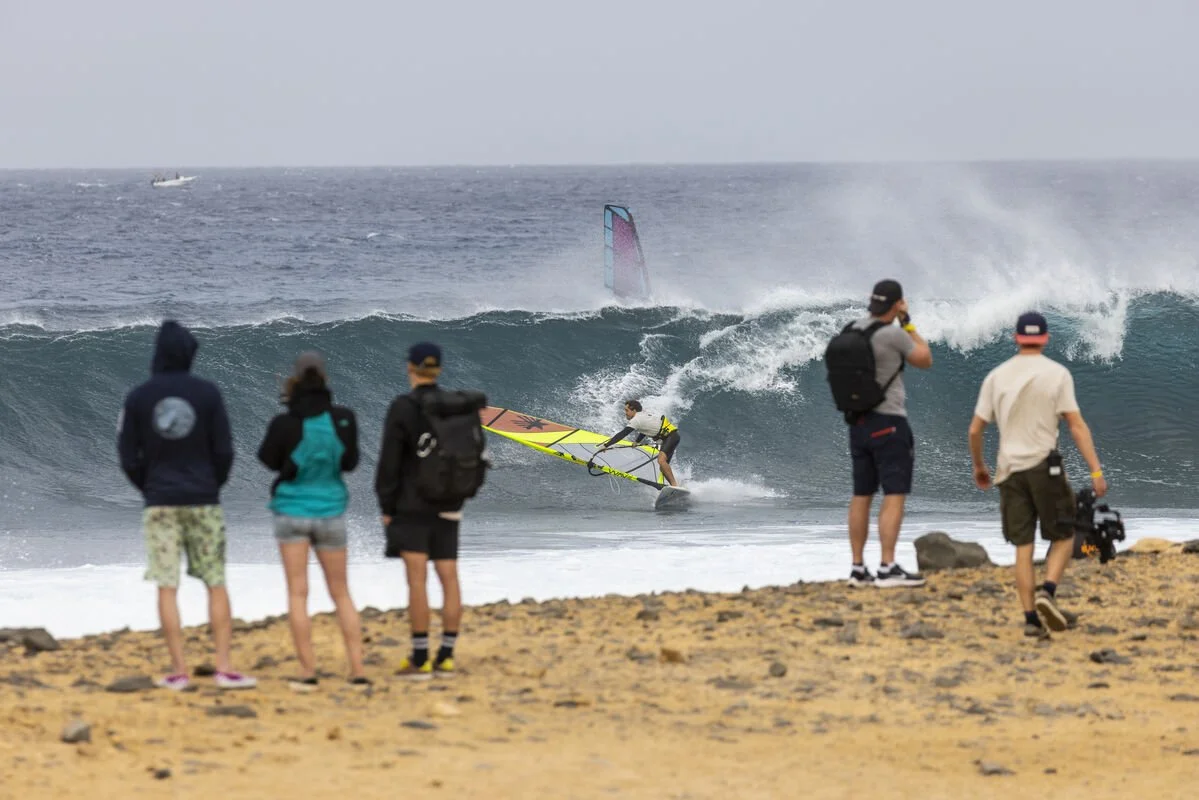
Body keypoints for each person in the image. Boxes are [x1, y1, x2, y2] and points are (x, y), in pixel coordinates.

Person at [117, 320, 256, 691]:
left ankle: (178, 671)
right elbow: (224, 450)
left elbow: (128, 455)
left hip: (160, 503)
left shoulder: (139, 397)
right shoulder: (208, 394)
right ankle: (225, 667)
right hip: (203, 501)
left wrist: (148, 487)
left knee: (166, 586)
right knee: (215, 582)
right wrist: (211, 484)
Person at [968, 312, 1107, 638]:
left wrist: (979, 466)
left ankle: (1031, 620)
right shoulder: (1057, 374)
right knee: (1063, 536)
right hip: (1046, 468)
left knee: (1023, 547)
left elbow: (975, 430)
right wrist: (1096, 470)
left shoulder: (996, 376)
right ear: (1045, 339)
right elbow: (1076, 425)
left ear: (1017, 338)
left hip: (1009, 471)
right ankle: (1048, 591)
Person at [375, 342, 487, 680]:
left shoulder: (403, 407)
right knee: (449, 577)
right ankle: (448, 657)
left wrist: (387, 506)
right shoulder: (459, 406)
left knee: (417, 580)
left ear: (409, 367)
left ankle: (421, 658)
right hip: (450, 502)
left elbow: (389, 464)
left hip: (412, 505)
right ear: (438, 369)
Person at [257, 352, 368, 690]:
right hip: (331, 511)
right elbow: (349, 463)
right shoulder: (343, 418)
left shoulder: (284, 422)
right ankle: (357, 670)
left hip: (291, 512)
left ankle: (308, 673)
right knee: (341, 593)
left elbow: (267, 459)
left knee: (298, 593)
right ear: (324, 379)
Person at [827, 279, 933, 588]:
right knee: (894, 494)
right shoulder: (894, 334)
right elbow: (924, 359)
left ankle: (858, 569)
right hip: (888, 421)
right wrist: (908, 322)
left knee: (861, 496)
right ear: (897, 304)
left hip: (857, 424)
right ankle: (887, 567)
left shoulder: (852, 328)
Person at [596, 399, 682, 488]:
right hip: (671, 437)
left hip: (670, 437)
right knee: (662, 467)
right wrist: (637, 441)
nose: (625, 413)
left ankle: (674, 485)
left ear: (634, 410)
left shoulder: (636, 420)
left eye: (627, 410)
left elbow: (622, 434)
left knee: (661, 461)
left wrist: (605, 445)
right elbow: (644, 429)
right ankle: (674, 487)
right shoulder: (642, 416)